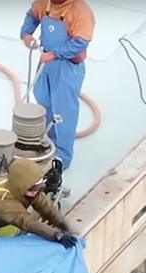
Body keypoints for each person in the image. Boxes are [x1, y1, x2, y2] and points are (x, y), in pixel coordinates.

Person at [20, 0, 95, 169]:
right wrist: (26, 34)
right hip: (46, 63)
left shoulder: (80, 11)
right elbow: (32, 16)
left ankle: (62, 157)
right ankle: (47, 144)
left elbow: (80, 42)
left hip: (67, 66)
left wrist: (56, 54)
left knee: (64, 112)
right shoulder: (44, 3)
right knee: (44, 103)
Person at [0, 157, 77, 247]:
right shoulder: (3, 203)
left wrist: (64, 226)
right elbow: (27, 222)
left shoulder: (26, 189)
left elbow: (46, 207)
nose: (35, 192)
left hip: (1, 225)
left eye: (39, 187)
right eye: (32, 189)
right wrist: (57, 236)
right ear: (21, 186)